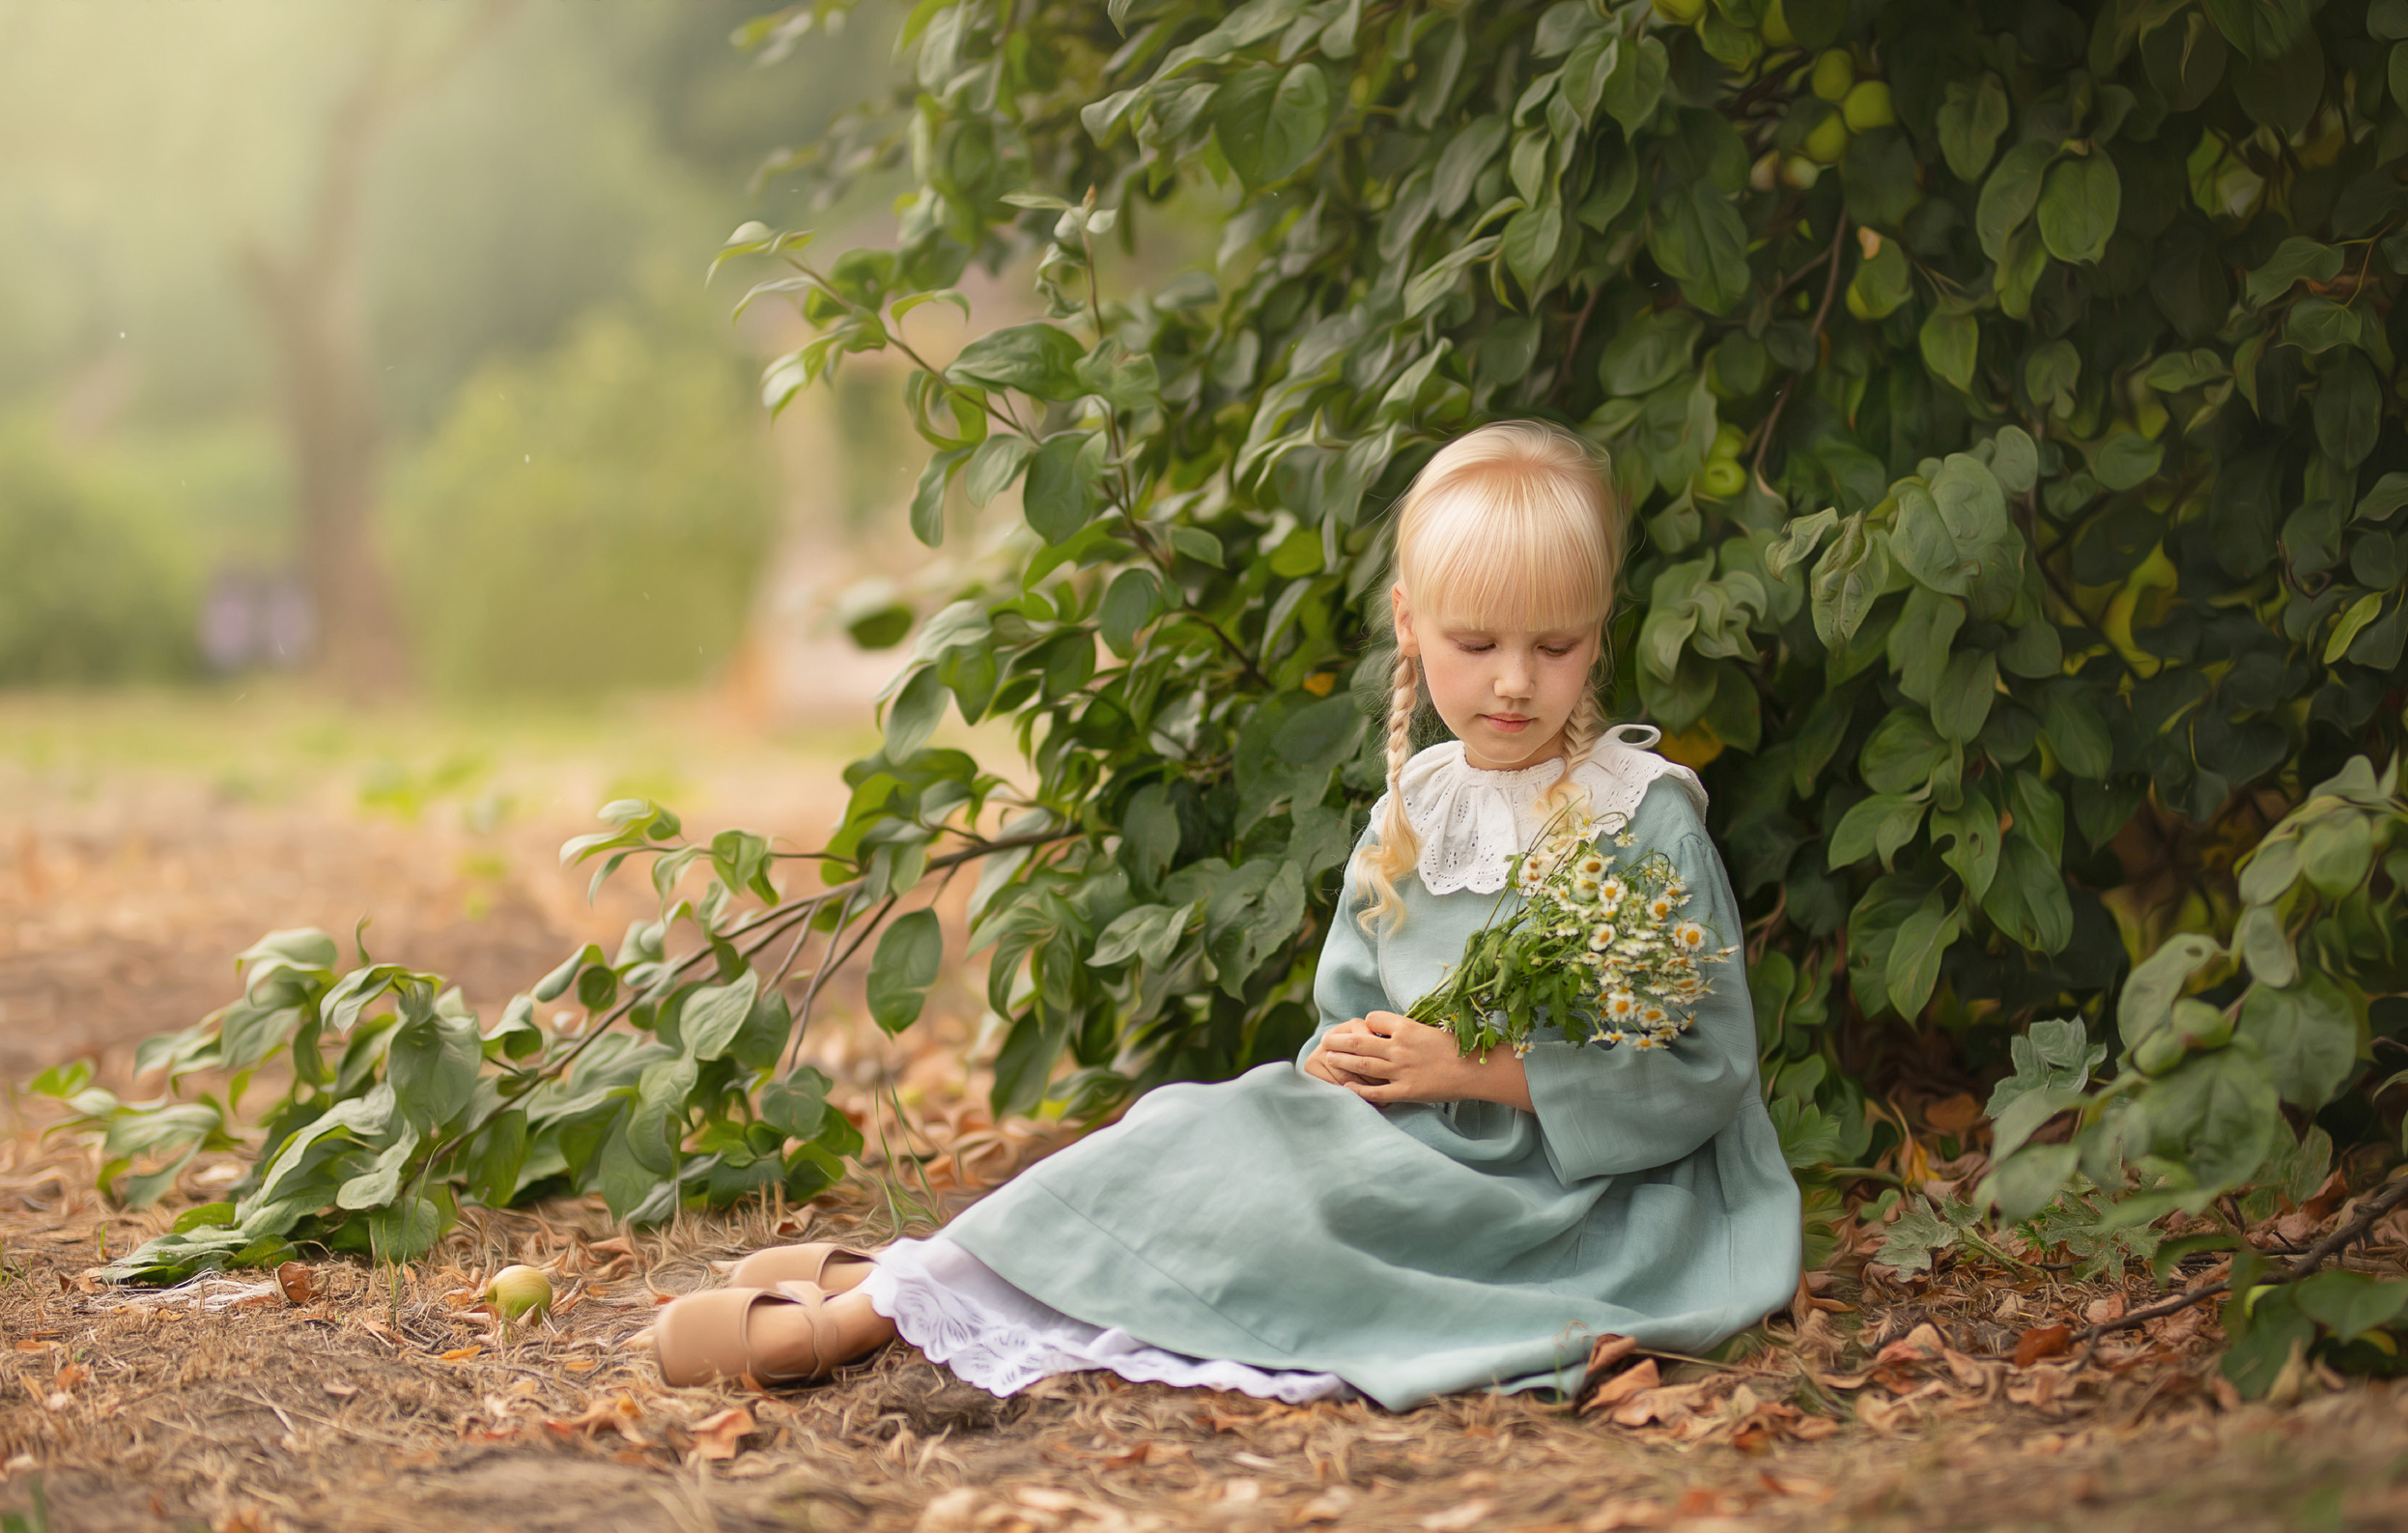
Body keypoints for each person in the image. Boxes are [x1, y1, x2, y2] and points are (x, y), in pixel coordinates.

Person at [650, 420, 1801, 1410]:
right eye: (1476, 644)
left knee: (1251, 1188)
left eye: (1552, 648)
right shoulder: (1419, 807)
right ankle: (908, 1271)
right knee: (1192, 1134)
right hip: (1406, 1145)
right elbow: (1349, 1018)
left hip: (1563, 1196)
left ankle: (866, 1313)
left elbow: (1701, 1072)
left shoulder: (1635, 820)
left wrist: (1474, 1070)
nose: (1511, 683)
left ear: (1597, 632)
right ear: (1410, 624)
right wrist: (1348, 1067)